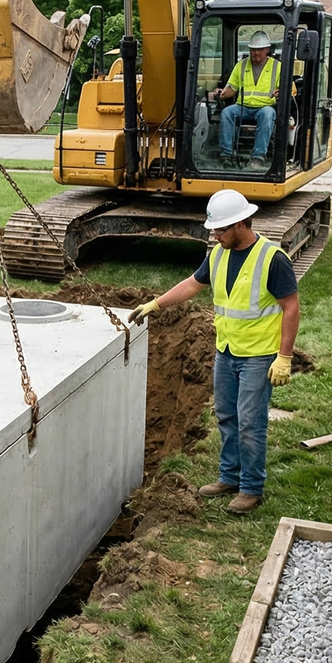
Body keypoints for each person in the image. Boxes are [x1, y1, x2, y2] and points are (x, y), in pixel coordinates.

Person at [128, 190, 300, 514]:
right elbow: (192, 284)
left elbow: (290, 307)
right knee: (226, 415)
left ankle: (251, 488)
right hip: (226, 350)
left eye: (220, 229)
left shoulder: (271, 259)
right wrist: (155, 303)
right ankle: (230, 477)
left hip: (258, 355)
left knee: (250, 421)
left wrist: (285, 356)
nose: (215, 235)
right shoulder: (218, 255)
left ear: (240, 224)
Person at [217, 32, 284, 165]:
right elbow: (232, 88)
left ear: (267, 50)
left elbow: (289, 89)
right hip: (243, 107)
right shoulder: (241, 65)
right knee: (227, 113)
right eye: (253, 49)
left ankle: (258, 157)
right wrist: (222, 93)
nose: (256, 53)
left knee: (268, 114)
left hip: (265, 107)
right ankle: (226, 155)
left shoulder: (278, 67)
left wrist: (281, 92)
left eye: (260, 49)